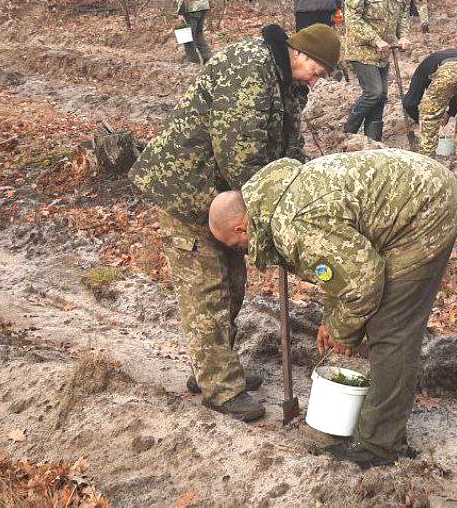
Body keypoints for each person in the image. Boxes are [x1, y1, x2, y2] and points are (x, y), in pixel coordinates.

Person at [129, 23, 341, 422]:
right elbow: (241, 159)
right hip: (188, 190)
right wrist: (275, 211)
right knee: (209, 289)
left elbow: (288, 149)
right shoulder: (249, 69)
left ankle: (210, 367)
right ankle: (220, 388)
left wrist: (301, 188)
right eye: (320, 70)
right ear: (303, 54)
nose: (320, 80)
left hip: (226, 197)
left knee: (234, 283)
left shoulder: (288, 85)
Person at [208, 148, 457, 467]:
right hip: (418, 190)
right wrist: (333, 319)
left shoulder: (297, 227)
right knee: (377, 318)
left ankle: (379, 446)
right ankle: (380, 427)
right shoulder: (273, 199)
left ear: (241, 230)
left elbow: (363, 282)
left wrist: (344, 331)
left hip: (426, 212)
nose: (244, 252)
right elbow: (339, 266)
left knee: (390, 330)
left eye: (238, 247)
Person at [343, 0, 408, 141]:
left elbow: (402, 14)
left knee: (381, 97)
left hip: (383, 53)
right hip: (361, 50)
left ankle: (372, 140)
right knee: (374, 92)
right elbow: (352, 18)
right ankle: (349, 130)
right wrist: (375, 39)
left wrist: (403, 36)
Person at [403, 49, 457, 162]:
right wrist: (450, 113)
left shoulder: (422, 70)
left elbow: (409, 103)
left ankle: (427, 159)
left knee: (430, 116)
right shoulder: (433, 62)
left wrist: (420, 119)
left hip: (447, 69)